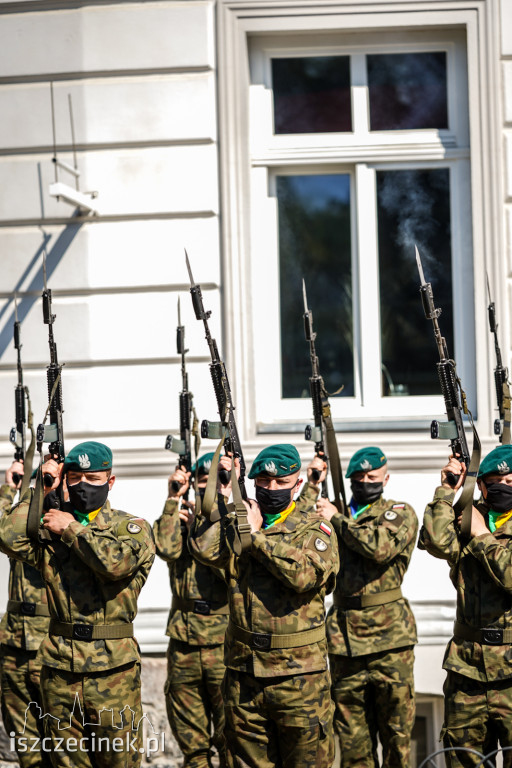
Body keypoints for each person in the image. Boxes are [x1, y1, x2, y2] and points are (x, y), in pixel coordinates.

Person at [0, 441, 155, 768]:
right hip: (60, 672)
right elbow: (7, 536)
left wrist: (70, 528)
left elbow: (114, 564)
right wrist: (40, 489)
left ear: (110, 481)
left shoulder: (132, 528)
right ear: (66, 479)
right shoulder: (50, 528)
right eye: (76, 477)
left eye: (94, 478)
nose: (84, 485)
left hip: (112, 673)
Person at [189, 443, 339, 768]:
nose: (271, 489)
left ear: (297, 484)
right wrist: (226, 491)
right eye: (263, 482)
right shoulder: (240, 519)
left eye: (281, 482)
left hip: (298, 678)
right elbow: (201, 547)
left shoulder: (315, 527)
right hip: (245, 676)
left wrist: (255, 537)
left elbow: (304, 576)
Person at [314, 446, 418, 768]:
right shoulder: (332, 513)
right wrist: (314, 483)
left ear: (386, 478)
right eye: (358, 477)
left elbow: (379, 547)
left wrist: (337, 519)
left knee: (396, 740)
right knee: (353, 744)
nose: (365, 482)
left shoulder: (400, 512)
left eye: (372, 476)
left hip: (391, 642)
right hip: (345, 643)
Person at [420, 444, 512, 767]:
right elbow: (434, 540)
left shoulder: (476, 526)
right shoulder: (469, 517)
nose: (505, 486)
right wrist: (447, 491)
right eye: (497, 481)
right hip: (467, 672)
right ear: (482, 486)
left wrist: (481, 535)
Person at [153, 452, 228, 768]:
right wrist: (173, 502)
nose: (201, 496)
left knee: (232, 742)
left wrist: (210, 520)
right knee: (193, 749)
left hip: (224, 640)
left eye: (207, 488)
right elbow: (166, 551)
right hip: (184, 641)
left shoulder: (234, 523)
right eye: (199, 488)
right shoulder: (181, 521)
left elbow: (226, 567)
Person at [0, 460, 53, 768]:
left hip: (51, 645)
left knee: (63, 748)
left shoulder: (65, 520)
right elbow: (4, 532)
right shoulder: (20, 522)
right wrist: (13, 487)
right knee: (28, 751)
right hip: (15, 643)